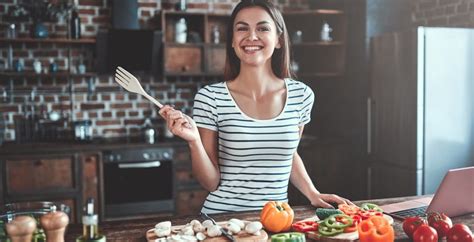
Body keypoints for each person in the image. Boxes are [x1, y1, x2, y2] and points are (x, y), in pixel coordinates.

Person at [159, 0, 352, 214]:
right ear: (232, 40)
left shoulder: (301, 95)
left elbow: (288, 153)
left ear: (279, 40)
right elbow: (210, 183)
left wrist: (312, 192)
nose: (251, 36)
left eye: (262, 28)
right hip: (223, 221)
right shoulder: (210, 98)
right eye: (242, 28)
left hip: (277, 221)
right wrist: (194, 141)